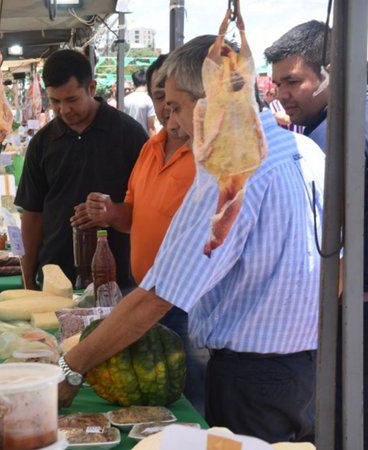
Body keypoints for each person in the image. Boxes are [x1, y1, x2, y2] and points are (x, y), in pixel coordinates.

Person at [58, 35, 326, 444]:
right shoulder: (306, 150)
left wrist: (71, 368)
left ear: (213, 100)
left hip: (253, 382)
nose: (174, 121)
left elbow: (158, 295)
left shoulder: (230, 171)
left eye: (177, 106)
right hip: (313, 371)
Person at [71, 53, 208, 414]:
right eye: (159, 98)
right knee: (158, 404)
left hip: (185, 304)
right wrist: (112, 212)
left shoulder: (212, 160)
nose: (166, 109)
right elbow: (134, 215)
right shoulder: (150, 148)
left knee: (192, 403)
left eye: (173, 100)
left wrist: (71, 367)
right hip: (147, 295)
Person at [265, 20, 367, 450]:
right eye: (277, 84)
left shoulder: (348, 130)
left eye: (293, 81)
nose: (283, 94)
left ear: (330, 71)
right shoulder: (321, 125)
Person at [14, 49, 148, 291]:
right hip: (56, 278)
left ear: (92, 89)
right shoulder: (42, 143)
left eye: (72, 100)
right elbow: (32, 214)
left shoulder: (130, 134)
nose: (64, 110)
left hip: (119, 279)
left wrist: (111, 211)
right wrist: (27, 279)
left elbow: (148, 207)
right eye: (55, 101)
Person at [124, 69, 157, 137]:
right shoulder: (149, 100)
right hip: (143, 140)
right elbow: (151, 127)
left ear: (133, 84)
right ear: (147, 83)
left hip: (127, 138)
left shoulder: (125, 100)